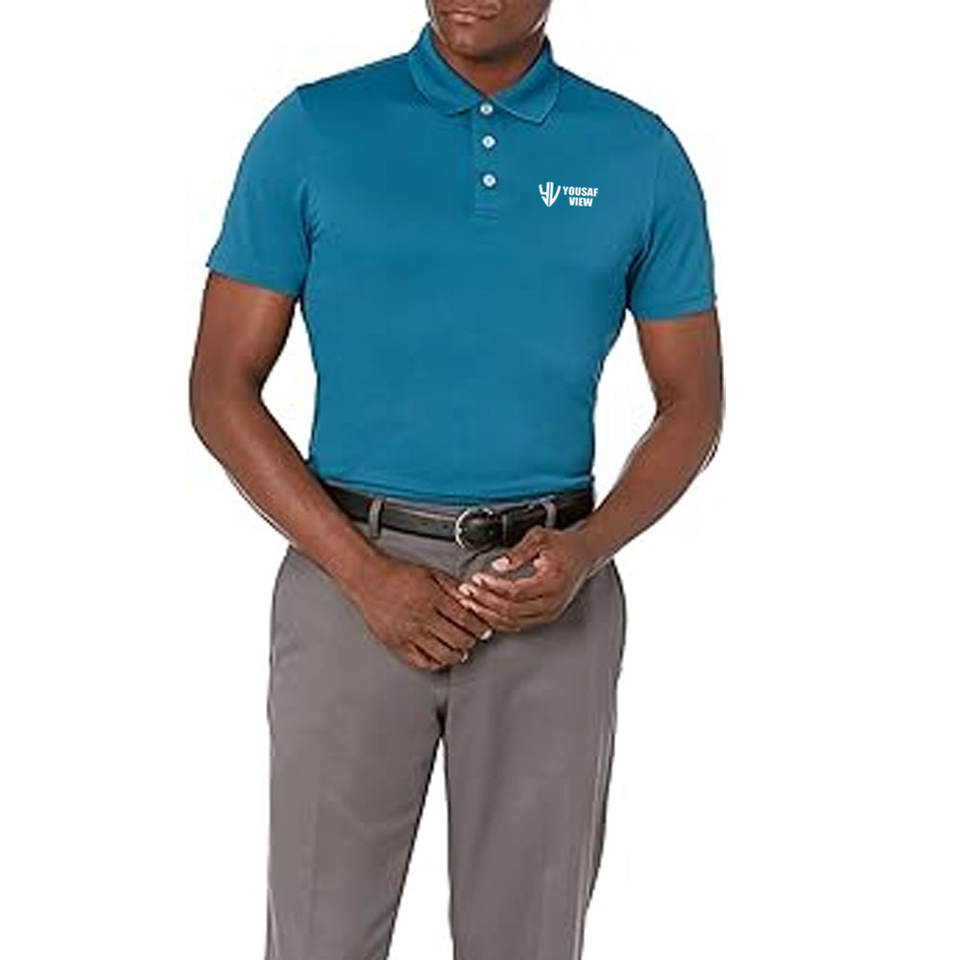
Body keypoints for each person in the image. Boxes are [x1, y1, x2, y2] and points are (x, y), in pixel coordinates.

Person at [189, 1, 723, 957]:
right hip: (346, 583)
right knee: (317, 937)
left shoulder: (638, 154)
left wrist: (587, 552)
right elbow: (220, 388)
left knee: (528, 941)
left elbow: (693, 404)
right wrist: (366, 576)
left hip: (550, 593)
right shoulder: (313, 130)